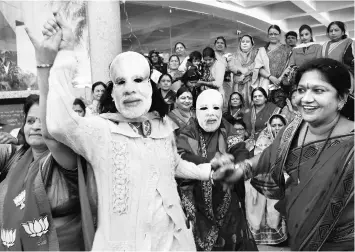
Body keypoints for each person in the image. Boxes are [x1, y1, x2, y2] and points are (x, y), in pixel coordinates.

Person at [34, 15, 234, 251]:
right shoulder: (101, 131)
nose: (129, 89)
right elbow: (59, 124)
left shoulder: (161, 126)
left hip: (171, 240)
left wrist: (208, 170)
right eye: (120, 82)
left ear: (150, 86)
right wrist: (65, 54)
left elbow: (173, 165)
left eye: (138, 80)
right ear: (113, 92)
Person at [214, 58, 354, 251]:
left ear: (342, 98)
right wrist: (240, 169)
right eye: (301, 90)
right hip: (298, 235)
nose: (305, 99)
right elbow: (266, 158)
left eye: (318, 90)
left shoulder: (352, 143)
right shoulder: (293, 129)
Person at [0, 94, 97, 251]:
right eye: (30, 121)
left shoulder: (67, 161)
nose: (36, 127)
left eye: (43, 121)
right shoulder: (14, 155)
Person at [176, 89, 258, 251]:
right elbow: (181, 157)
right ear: (196, 111)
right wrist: (211, 164)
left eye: (216, 108)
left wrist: (236, 166)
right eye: (204, 109)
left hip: (226, 197)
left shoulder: (228, 129)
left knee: (232, 237)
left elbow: (240, 150)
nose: (211, 114)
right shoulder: (187, 131)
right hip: (196, 200)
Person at [245, 114, 288, 245]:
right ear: (269, 126)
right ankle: (259, 234)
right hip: (264, 174)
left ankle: (279, 235)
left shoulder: (290, 137)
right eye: (273, 125)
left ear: (285, 125)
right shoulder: (264, 138)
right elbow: (261, 160)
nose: (276, 128)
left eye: (280, 125)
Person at [253, 25, 292, 108]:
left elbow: (289, 65)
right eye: (271, 34)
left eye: (275, 34)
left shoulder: (286, 49)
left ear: (280, 35)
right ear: (268, 35)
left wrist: (280, 79)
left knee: (280, 110)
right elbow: (258, 68)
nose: (273, 36)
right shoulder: (262, 50)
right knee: (265, 110)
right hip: (266, 83)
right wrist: (271, 77)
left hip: (281, 85)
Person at [227, 34, 258, 107]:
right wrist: (241, 71)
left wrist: (245, 73)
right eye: (243, 41)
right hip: (237, 84)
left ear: (252, 44)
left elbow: (256, 65)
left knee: (251, 103)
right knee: (237, 103)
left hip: (251, 83)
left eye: (247, 42)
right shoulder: (234, 55)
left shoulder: (256, 55)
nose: (244, 43)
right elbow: (231, 66)